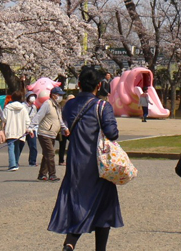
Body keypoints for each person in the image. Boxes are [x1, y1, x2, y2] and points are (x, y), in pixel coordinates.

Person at [49, 66, 122, 251]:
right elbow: (112, 133)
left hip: (75, 162)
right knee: (103, 206)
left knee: (77, 203)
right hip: (98, 164)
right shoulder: (102, 106)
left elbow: (67, 130)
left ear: (79, 84)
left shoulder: (69, 105)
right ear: (99, 85)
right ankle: (100, 248)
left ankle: (70, 243)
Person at [31, 86, 69, 182]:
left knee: (47, 154)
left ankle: (42, 174)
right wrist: (30, 127)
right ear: (53, 95)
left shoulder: (57, 106)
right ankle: (52, 174)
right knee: (51, 153)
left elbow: (59, 120)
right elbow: (38, 116)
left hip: (52, 133)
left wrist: (65, 128)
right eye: (59, 95)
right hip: (44, 133)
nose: (61, 97)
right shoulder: (47, 104)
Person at [1, 91, 31, 171]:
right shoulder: (23, 108)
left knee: (11, 147)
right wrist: (28, 129)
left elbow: (4, 119)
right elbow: (27, 120)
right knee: (17, 147)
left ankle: (12, 164)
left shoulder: (8, 107)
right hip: (20, 131)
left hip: (10, 130)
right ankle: (16, 163)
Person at [25, 91, 39, 167]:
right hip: (24, 129)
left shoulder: (34, 107)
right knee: (19, 146)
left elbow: (35, 117)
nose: (32, 98)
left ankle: (32, 161)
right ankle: (15, 161)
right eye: (31, 96)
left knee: (33, 146)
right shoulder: (23, 106)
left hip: (32, 129)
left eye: (34, 96)